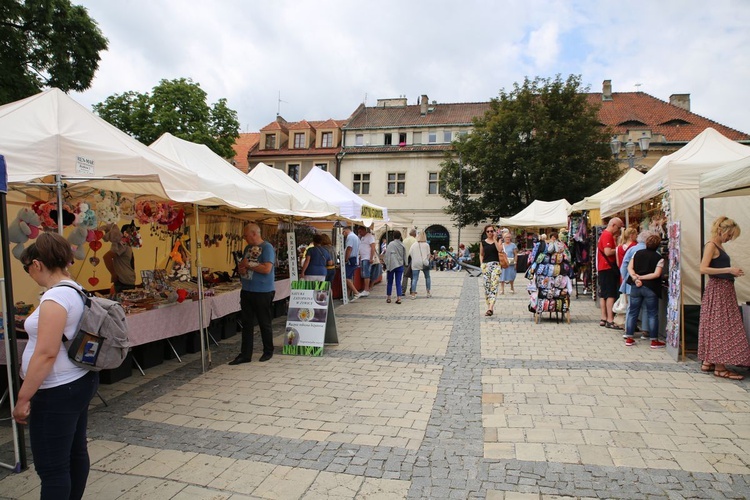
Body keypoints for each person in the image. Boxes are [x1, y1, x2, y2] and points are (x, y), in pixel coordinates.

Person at [14, 232, 99, 499]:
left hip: (56, 390)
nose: (30, 274)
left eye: (28, 269)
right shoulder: (76, 289)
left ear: (37, 264)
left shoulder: (55, 299)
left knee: (52, 468)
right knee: (75, 452)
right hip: (77, 381)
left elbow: (46, 353)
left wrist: (23, 397)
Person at [697, 216, 750, 380]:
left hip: (722, 289)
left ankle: (709, 360)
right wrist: (729, 270)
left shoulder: (716, 245)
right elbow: (703, 268)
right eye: (729, 235)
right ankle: (720, 367)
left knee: (714, 323)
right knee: (722, 326)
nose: (729, 239)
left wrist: (729, 271)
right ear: (722, 231)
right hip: (719, 289)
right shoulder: (712, 246)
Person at [229, 223, 276, 365]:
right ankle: (245, 354)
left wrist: (248, 265)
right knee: (247, 323)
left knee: (264, 322)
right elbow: (243, 266)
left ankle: (268, 351)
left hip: (263, 291)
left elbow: (267, 268)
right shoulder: (248, 248)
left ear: (254, 233)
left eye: (246, 235)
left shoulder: (267, 248)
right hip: (247, 290)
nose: (244, 238)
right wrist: (242, 268)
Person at [624, 233, 666, 348]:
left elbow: (629, 267)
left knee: (633, 311)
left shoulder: (637, 253)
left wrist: (635, 277)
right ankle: (654, 340)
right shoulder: (659, 258)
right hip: (651, 287)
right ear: (658, 245)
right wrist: (642, 277)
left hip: (635, 286)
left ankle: (629, 337)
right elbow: (656, 274)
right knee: (652, 313)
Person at [619, 230, 652, 339]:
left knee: (632, 308)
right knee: (646, 307)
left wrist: (626, 278)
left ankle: (629, 331)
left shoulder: (632, 249)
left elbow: (624, 265)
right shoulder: (653, 250)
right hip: (648, 283)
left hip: (632, 283)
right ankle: (646, 331)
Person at [597, 217, 624, 329]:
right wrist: (619, 249)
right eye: (618, 227)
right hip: (608, 268)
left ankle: (604, 318)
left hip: (603, 268)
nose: (618, 230)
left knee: (604, 294)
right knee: (610, 294)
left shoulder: (604, 234)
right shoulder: (607, 235)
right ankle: (610, 319)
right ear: (613, 225)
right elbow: (608, 252)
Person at [103, 222, 137, 293]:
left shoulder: (126, 244)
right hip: (123, 282)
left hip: (126, 281)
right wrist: (113, 274)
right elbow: (107, 257)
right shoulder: (122, 244)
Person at [479, 224, 504, 316]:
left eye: (491, 231)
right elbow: (481, 254)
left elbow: (500, 250)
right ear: (485, 233)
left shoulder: (498, 241)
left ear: (494, 232)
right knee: (487, 287)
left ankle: (490, 308)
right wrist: (482, 264)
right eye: (488, 231)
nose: (490, 233)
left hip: (496, 266)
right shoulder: (483, 242)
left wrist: (494, 239)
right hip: (486, 266)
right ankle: (489, 305)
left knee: (494, 286)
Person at [384, 231, 406, 304]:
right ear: (400, 237)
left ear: (393, 236)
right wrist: (405, 263)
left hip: (392, 265)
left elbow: (387, 255)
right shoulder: (402, 245)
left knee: (389, 282)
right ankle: (399, 298)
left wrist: (386, 264)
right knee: (398, 282)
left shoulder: (391, 244)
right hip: (400, 265)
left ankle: (389, 297)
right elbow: (404, 255)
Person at [409, 232, 432, 299]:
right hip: (424, 262)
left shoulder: (414, 245)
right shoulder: (426, 245)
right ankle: (428, 292)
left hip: (415, 263)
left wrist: (415, 258)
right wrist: (426, 260)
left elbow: (410, 253)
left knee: (415, 278)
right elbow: (428, 254)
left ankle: (413, 294)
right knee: (427, 277)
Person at [342, 225, 360, 300]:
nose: (343, 235)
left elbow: (349, 248)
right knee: (349, 277)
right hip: (355, 258)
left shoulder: (350, 237)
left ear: (345, 231)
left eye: (343, 233)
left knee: (346, 278)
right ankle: (347, 296)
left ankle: (356, 292)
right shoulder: (356, 237)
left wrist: (346, 259)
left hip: (351, 259)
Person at [358, 226, 376, 296]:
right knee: (364, 274)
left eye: (360, 232)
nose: (359, 233)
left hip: (367, 258)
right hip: (363, 258)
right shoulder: (362, 238)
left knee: (366, 274)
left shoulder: (370, 236)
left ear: (364, 230)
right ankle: (365, 288)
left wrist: (371, 258)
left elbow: (373, 247)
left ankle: (366, 289)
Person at [401, 229, 417, 295]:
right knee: (413, 276)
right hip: (413, 260)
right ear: (415, 234)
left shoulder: (404, 240)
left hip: (405, 260)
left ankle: (403, 290)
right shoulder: (415, 241)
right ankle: (412, 290)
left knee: (405, 275)